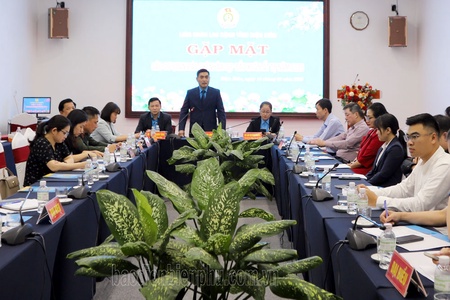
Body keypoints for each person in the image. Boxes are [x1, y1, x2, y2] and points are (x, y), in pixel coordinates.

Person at [360, 113, 450, 212]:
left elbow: (421, 204)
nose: (410, 142)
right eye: (408, 137)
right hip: (417, 221)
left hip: (432, 227)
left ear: (433, 138)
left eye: (415, 136)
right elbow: (403, 190)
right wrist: (370, 191)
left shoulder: (445, 165)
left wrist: (378, 200)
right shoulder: (423, 161)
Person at [24, 115, 87, 186]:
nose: (66, 136)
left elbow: (69, 157)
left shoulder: (59, 142)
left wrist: (64, 164)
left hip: (52, 180)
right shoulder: (42, 143)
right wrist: (80, 165)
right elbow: (53, 166)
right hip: (36, 185)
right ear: (54, 130)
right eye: (64, 133)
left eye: (67, 133)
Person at [178, 69, 226, 136]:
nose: (204, 80)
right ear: (197, 79)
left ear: (209, 79)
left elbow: (221, 112)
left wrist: (223, 130)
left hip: (211, 130)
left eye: (206, 77)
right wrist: (181, 129)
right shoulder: (190, 93)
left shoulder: (215, 93)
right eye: (201, 77)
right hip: (195, 130)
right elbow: (184, 111)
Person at [365, 113, 407, 187]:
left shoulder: (395, 149)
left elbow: (384, 174)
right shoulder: (384, 146)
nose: (376, 132)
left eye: (378, 129)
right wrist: (363, 180)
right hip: (379, 185)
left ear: (388, 130)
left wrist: (367, 184)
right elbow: (373, 171)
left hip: (386, 187)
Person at [347, 102, 387, 175]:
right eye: (366, 117)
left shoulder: (379, 135)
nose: (367, 120)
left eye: (370, 118)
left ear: (379, 118)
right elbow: (361, 151)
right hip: (358, 165)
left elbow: (366, 157)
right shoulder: (371, 131)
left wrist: (348, 166)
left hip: (366, 169)